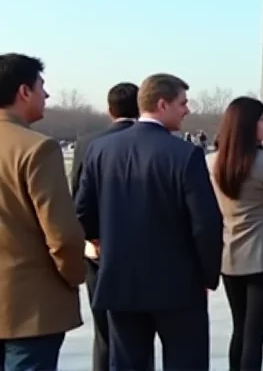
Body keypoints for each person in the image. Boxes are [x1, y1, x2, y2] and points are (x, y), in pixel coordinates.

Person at [75, 73, 223, 371]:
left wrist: (101, 244)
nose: (187, 110)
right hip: (178, 284)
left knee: (127, 363)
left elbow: (82, 211)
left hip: (120, 280)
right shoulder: (184, 154)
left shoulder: (101, 150)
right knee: (186, 362)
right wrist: (206, 275)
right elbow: (206, 223)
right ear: (162, 104)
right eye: (182, 103)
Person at [0, 53, 85, 370]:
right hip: (29, 307)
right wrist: (73, 276)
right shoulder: (36, 148)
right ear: (23, 91)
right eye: (41, 87)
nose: (46, 95)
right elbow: (62, 236)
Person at [207, 97, 263, 371]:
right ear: (249, 125)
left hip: (229, 256)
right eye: (262, 120)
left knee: (240, 329)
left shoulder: (210, 163)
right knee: (254, 337)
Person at [69, 82, 139, 371]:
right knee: (136, 336)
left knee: (103, 333)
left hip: (97, 249)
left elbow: (78, 197)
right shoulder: (152, 141)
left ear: (109, 110)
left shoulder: (87, 143)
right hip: (137, 251)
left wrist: (91, 237)